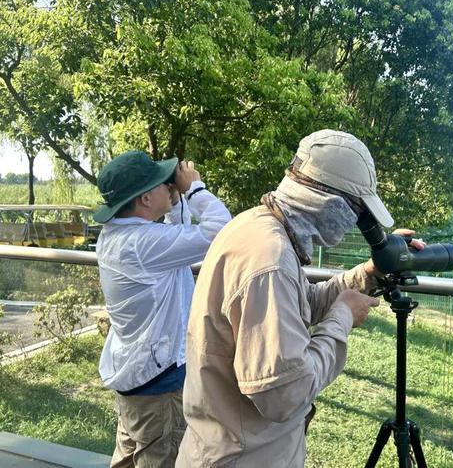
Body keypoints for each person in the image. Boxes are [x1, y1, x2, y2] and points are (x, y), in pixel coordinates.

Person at [177, 129, 423, 467]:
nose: (355, 224)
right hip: (245, 457)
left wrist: (369, 272)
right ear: (332, 204)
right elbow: (283, 395)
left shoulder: (256, 226)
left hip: (231, 445)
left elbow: (299, 304)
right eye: (358, 212)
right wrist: (341, 319)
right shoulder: (270, 259)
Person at [93, 150, 232, 467]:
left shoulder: (116, 235)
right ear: (144, 199)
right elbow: (220, 230)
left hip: (138, 375)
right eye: (161, 183)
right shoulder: (143, 244)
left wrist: (175, 197)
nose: (169, 185)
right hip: (160, 385)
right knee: (162, 458)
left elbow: (176, 235)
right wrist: (195, 189)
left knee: (130, 455)